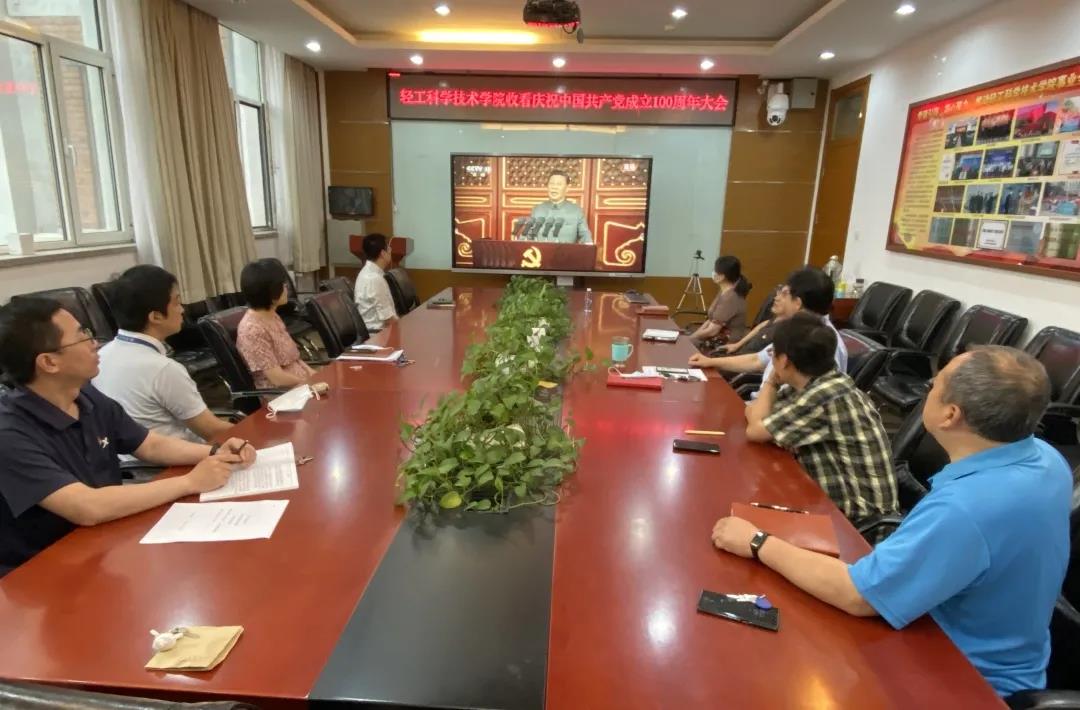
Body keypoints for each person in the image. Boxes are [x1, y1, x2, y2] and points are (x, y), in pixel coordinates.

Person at [711, 346, 1071, 697]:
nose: (928, 388)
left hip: (961, 678)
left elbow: (858, 596)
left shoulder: (966, 509)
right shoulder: (1047, 459)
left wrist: (757, 542)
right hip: (1008, 652)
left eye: (934, 385)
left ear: (950, 415)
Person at [0, 298, 256, 577]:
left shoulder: (85, 395)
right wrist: (190, 482)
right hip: (43, 569)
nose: (94, 343)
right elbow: (86, 507)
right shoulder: (9, 433)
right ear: (49, 362)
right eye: (82, 336)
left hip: (107, 539)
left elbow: (149, 445)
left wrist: (215, 453)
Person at [744, 312, 898, 526]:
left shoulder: (824, 395)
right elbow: (754, 413)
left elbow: (754, 430)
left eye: (773, 354)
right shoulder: (818, 382)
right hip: (829, 501)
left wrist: (770, 383)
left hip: (857, 522)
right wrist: (761, 410)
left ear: (784, 361)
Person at [93, 265, 233, 443]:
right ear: (156, 316)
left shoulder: (101, 356)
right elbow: (212, 431)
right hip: (178, 456)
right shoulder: (163, 369)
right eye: (176, 302)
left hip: (128, 457)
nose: (182, 310)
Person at [689, 267, 847, 398]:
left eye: (784, 294)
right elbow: (757, 360)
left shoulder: (820, 343)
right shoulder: (797, 329)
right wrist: (710, 362)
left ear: (797, 303)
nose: (777, 298)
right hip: (760, 408)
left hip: (774, 416)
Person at [236, 259, 317, 389]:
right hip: (283, 394)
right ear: (269, 291)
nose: (286, 288)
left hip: (302, 385)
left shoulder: (271, 315)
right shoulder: (252, 330)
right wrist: (309, 384)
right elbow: (277, 379)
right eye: (282, 285)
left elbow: (294, 360)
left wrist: (314, 374)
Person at [689, 255, 751, 347]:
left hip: (726, 344)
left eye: (714, 270)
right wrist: (692, 336)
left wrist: (689, 339)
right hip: (716, 338)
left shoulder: (730, 297)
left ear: (722, 276)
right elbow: (711, 320)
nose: (713, 272)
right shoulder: (724, 291)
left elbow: (712, 331)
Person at [524, 170, 593, 244]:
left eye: (559, 184)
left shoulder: (576, 211)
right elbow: (528, 236)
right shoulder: (538, 209)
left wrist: (588, 244)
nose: (554, 187)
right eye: (552, 183)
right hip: (540, 251)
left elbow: (585, 237)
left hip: (566, 251)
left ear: (567, 188)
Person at [353, 233, 399, 333]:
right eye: (388, 248)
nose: (391, 250)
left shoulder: (369, 272)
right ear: (382, 253)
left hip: (380, 331)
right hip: (378, 334)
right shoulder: (374, 279)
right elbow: (388, 320)